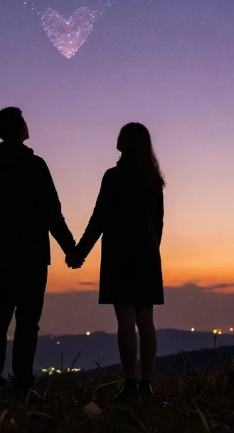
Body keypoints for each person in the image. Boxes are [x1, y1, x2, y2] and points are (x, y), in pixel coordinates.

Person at [0, 106, 77, 396]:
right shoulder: (35, 166)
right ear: (20, 129)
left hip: (2, 260)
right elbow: (51, 213)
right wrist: (71, 250)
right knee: (27, 322)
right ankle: (22, 384)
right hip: (32, 257)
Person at [67, 122, 165, 401]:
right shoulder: (153, 179)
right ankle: (146, 384)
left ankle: (130, 384)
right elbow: (158, 223)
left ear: (126, 142)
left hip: (119, 254)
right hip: (146, 254)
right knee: (146, 320)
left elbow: (99, 218)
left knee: (125, 318)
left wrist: (79, 252)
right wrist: (151, 249)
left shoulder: (114, 176)